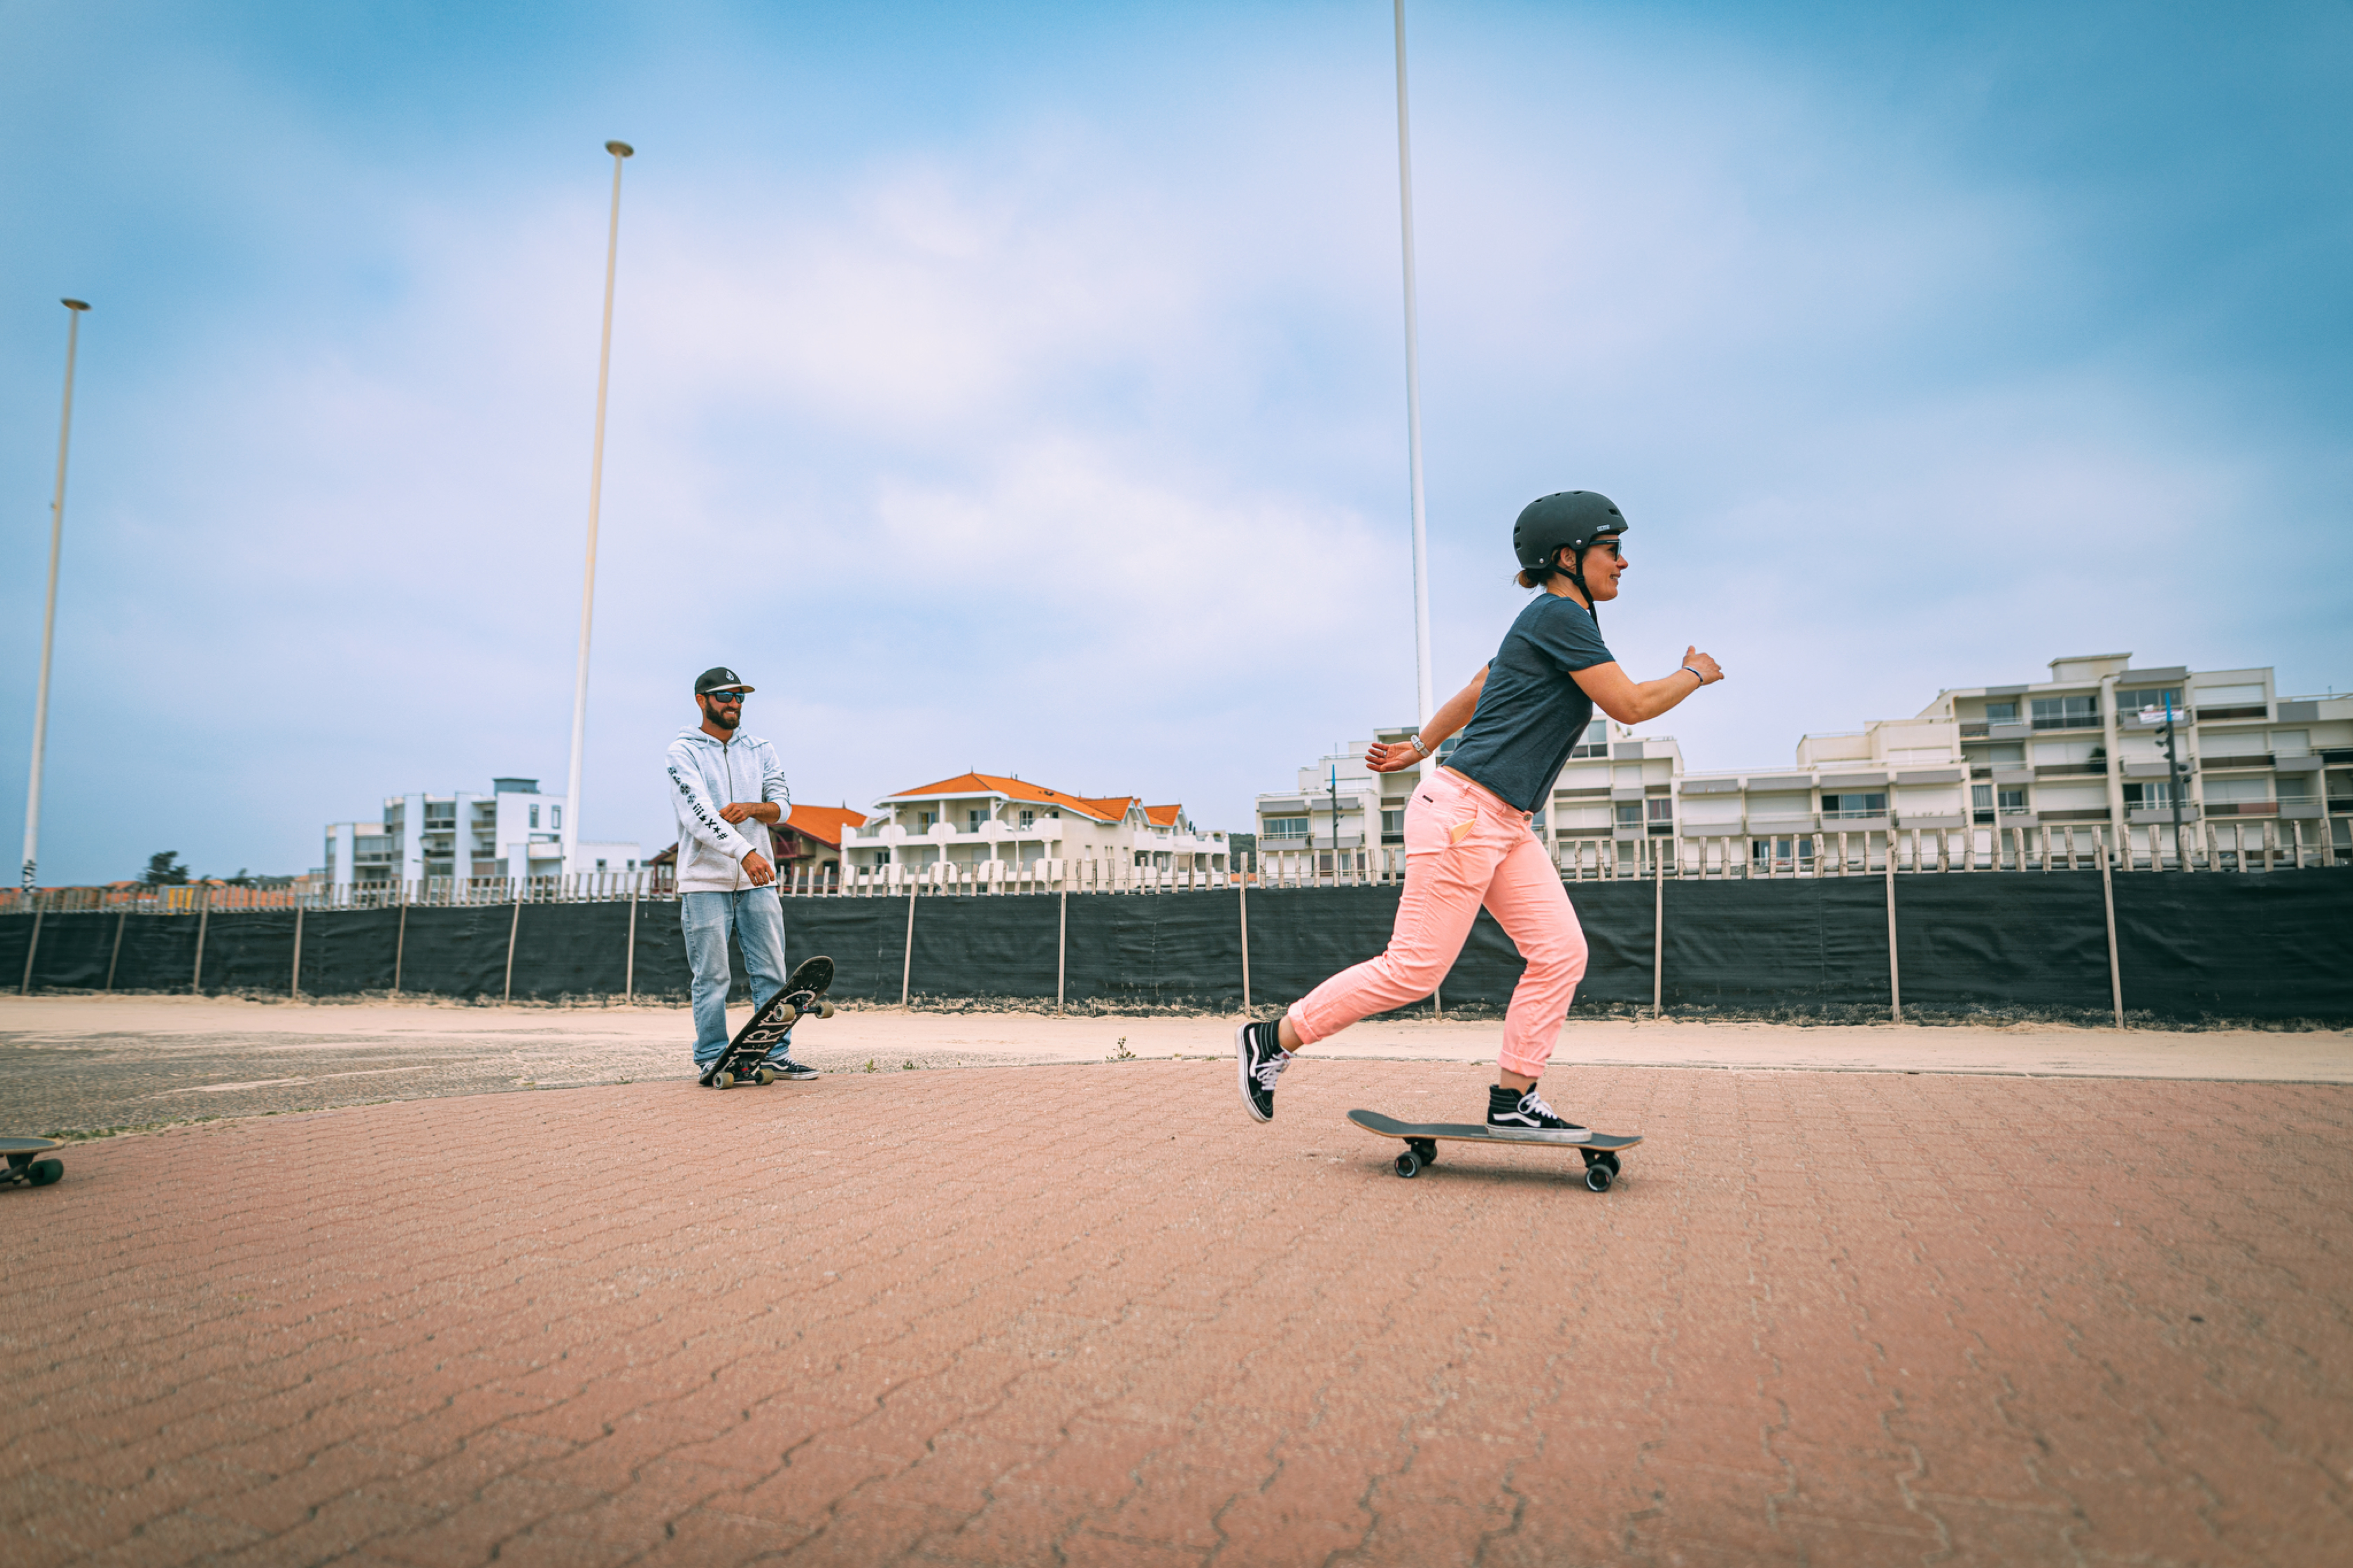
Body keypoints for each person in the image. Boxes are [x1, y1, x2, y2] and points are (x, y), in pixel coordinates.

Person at [1235, 491, 1724, 1134]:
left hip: (1503, 820)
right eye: (1613, 550)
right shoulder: (1557, 616)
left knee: (1559, 951)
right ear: (1568, 557)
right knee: (1414, 968)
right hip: (1466, 813)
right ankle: (1274, 1038)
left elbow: (1477, 686)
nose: (1625, 562)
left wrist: (1419, 745)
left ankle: (1514, 1098)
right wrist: (1693, 673)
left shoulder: (1549, 623)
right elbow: (1630, 704)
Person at [665, 666, 816, 1083]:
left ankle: (775, 1055)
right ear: (702, 701)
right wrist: (745, 850)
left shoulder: (761, 748)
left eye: (741, 697)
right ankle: (712, 1056)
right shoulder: (683, 752)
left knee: (771, 972)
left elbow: (783, 808)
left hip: (758, 881)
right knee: (712, 976)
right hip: (704, 883)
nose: (735, 705)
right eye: (725, 697)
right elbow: (698, 816)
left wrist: (751, 809)